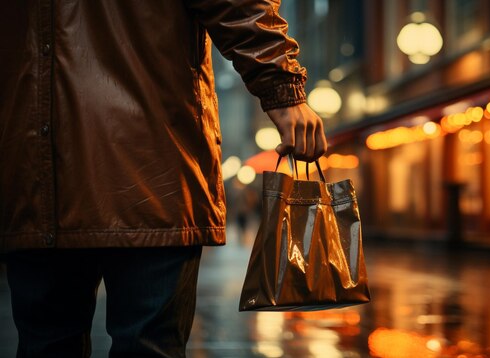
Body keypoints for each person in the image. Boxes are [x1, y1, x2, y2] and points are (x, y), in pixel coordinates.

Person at [0, 1, 327, 357]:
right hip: (154, 160)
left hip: (34, 166)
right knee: (148, 346)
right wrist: (283, 89)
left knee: (46, 343)